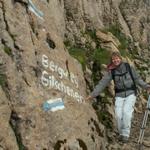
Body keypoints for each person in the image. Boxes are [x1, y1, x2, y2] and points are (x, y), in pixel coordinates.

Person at [86, 51, 150, 143]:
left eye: (117, 58)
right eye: (113, 59)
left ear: (120, 58)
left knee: (126, 113)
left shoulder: (128, 67)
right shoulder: (112, 71)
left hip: (131, 93)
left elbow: (137, 79)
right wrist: (93, 94)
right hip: (119, 95)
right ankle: (121, 133)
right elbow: (102, 83)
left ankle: (125, 134)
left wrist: (147, 87)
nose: (115, 60)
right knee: (118, 115)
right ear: (112, 61)